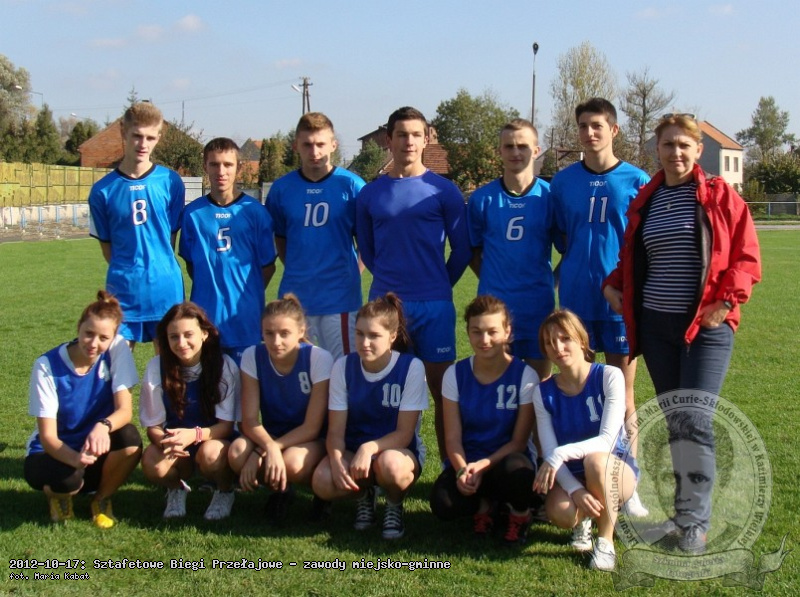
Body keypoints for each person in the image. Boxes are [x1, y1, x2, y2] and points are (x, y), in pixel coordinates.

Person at [603, 113, 761, 552]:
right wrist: (612, 284)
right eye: (668, 144)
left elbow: (746, 257)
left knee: (695, 419)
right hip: (657, 326)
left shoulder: (719, 196)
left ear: (698, 151)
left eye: (684, 145)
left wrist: (725, 303)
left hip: (706, 327)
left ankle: (694, 524)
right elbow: (634, 257)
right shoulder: (647, 199)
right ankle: (682, 515)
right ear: (657, 149)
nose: (676, 152)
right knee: (677, 420)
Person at [549, 98, 650, 517]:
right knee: (580, 393)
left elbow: (644, 242)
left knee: (623, 395)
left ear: (614, 130)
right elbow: (559, 236)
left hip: (620, 303)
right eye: (583, 126)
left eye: (597, 126)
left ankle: (629, 481)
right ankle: (583, 476)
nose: (590, 133)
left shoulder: (637, 179)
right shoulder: (562, 182)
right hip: (575, 300)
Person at [356, 106, 471, 462]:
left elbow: (462, 249)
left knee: (443, 393)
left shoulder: (444, 191)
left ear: (426, 139)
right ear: (388, 140)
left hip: (434, 307)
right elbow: (367, 250)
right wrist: (390, 283)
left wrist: (439, 284)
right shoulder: (370, 194)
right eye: (402, 134)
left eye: (416, 134)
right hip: (386, 308)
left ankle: (451, 470)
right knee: (386, 392)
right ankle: (388, 467)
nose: (409, 141)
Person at [311, 293, 428, 540]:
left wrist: (369, 448)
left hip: (397, 452)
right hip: (354, 452)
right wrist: (336, 460)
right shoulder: (343, 366)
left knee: (391, 467)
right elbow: (335, 431)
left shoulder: (411, 367)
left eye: (374, 336)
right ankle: (364, 495)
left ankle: (394, 504)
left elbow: (405, 433)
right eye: (359, 334)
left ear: (392, 336)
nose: (364, 343)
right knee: (322, 481)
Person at [24, 290, 142, 528]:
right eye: (89, 334)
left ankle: (101, 499)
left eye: (103, 338)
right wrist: (77, 460)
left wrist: (103, 426)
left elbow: (124, 411)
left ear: (113, 338)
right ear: (78, 328)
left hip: (94, 445)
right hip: (52, 451)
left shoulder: (117, 350)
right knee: (69, 481)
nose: (94, 343)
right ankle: (60, 495)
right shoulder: (46, 366)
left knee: (130, 439)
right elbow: (48, 437)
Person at [532, 309, 637, 571]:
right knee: (561, 513)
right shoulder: (543, 392)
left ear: (581, 340)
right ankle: (583, 522)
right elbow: (549, 448)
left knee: (595, 462)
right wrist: (575, 490)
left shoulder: (609, 376)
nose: (558, 347)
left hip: (613, 469)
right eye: (549, 342)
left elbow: (607, 441)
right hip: (574, 474)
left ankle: (605, 543)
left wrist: (560, 454)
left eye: (564, 338)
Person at [429, 295, 539, 544]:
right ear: (467, 332)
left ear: (507, 332)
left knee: (518, 472)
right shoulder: (454, 374)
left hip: (506, 462)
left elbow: (519, 442)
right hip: (470, 464)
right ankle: (484, 506)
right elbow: (452, 438)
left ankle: (520, 514)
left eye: (492, 332)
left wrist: (483, 466)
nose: (484, 340)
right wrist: (462, 470)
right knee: (442, 503)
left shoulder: (525, 375)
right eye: (476, 332)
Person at [266, 113, 365, 360]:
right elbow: (281, 239)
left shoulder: (352, 186)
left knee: (341, 370)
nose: (315, 151)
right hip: (295, 298)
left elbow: (366, 243)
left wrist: (351, 275)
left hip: (340, 300)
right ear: (296, 146)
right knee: (297, 370)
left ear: (334, 145)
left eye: (321, 144)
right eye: (307, 144)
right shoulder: (281, 189)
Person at [228, 294, 333, 522]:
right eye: (269, 333)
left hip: (312, 439)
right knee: (237, 453)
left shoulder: (318, 358)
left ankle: (320, 494)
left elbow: (312, 427)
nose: (276, 342)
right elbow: (249, 421)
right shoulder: (252, 356)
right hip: (272, 435)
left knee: (291, 463)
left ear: (301, 331)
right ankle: (281, 490)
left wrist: (268, 449)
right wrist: (268, 446)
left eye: (284, 333)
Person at [88, 101, 184, 349]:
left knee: (168, 365)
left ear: (159, 137)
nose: (143, 144)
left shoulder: (171, 182)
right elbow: (108, 250)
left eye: (150, 137)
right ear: (123, 132)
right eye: (137, 136)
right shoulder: (101, 191)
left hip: (164, 286)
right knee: (116, 364)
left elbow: (169, 241)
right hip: (122, 289)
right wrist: (131, 270)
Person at [467, 118, 556, 380]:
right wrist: (493, 279)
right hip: (495, 306)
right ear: (500, 151)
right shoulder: (482, 198)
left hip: (538, 306)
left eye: (522, 146)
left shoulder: (550, 197)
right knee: (497, 385)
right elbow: (472, 250)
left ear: (536, 150)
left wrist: (551, 283)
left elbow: (569, 249)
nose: (515, 152)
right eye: (509, 146)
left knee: (539, 386)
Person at [179, 137, 276, 365]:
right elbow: (191, 264)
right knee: (208, 384)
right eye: (214, 164)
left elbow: (268, 266)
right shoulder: (192, 214)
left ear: (239, 167)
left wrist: (245, 292)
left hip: (245, 318)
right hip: (205, 319)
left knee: (246, 384)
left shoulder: (256, 213)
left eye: (228, 164)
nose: (221, 171)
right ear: (205, 167)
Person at [140, 302, 239, 521]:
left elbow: (226, 426)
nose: (181, 343)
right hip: (177, 446)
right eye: (174, 337)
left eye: (188, 335)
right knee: (151, 461)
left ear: (204, 334)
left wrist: (194, 435)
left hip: (214, 442)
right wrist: (166, 442)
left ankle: (225, 491)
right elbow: (153, 426)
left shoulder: (224, 366)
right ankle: (176, 489)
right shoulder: (156, 367)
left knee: (211, 455)